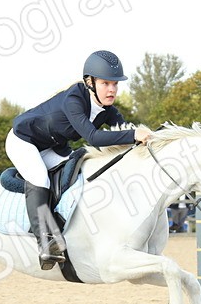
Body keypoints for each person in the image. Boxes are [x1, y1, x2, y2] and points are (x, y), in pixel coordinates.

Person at [8, 50, 152, 269]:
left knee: (76, 174)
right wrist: (133, 135)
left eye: (115, 84)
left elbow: (124, 130)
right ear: (90, 82)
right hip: (24, 141)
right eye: (106, 83)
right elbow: (93, 138)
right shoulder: (74, 99)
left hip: (52, 146)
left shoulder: (107, 110)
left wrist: (148, 138)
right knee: (40, 177)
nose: (112, 89)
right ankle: (45, 243)